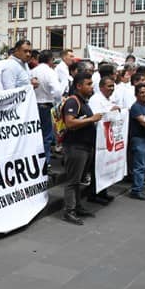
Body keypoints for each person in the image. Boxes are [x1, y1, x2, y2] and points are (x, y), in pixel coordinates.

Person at [61, 72, 102, 225]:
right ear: (79, 86)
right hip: (75, 147)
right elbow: (70, 123)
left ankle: (77, 207)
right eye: (88, 84)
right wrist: (92, 119)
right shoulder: (73, 102)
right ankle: (69, 211)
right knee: (73, 181)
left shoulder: (83, 102)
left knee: (78, 180)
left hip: (85, 147)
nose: (92, 87)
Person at [87, 75, 120, 204]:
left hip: (108, 137)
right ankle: (94, 194)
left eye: (113, 86)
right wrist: (110, 111)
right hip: (97, 137)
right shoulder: (96, 99)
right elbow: (97, 117)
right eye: (109, 86)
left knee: (106, 166)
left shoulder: (109, 99)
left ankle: (103, 192)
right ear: (101, 87)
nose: (111, 88)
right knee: (98, 167)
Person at [31, 50, 63, 168]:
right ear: (50, 60)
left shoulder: (32, 71)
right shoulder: (50, 72)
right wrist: (58, 102)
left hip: (33, 106)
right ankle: (45, 162)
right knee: (46, 136)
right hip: (45, 105)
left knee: (35, 135)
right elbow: (57, 91)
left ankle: (36, 162)